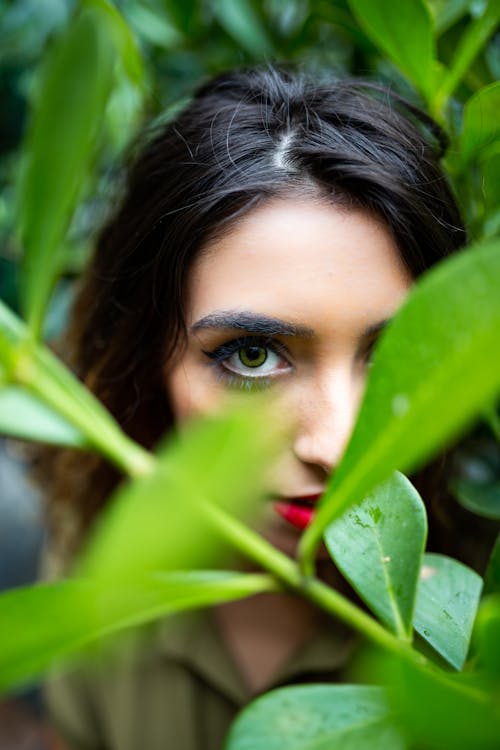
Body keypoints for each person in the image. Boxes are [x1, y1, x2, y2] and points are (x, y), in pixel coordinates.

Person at [38, 65, 489, 750]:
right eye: (252, 356)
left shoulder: (479, 620)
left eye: (397, 353)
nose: (337, 446)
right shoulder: (94, 564)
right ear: (147, 361)